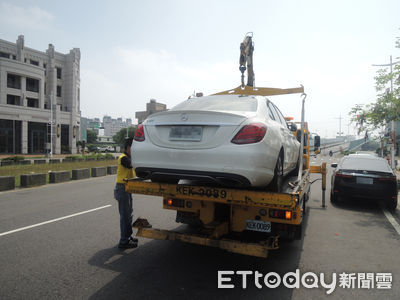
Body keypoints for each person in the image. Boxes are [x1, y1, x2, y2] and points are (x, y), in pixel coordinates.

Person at [114, 137, 138, 249]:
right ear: (129, 148)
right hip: (122, 188)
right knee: (125, 216)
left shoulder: (128, 157)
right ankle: (123, 241)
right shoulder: (123, 158)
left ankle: (128, 236)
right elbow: (130, 164)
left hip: (127, 188)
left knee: (129, 214)